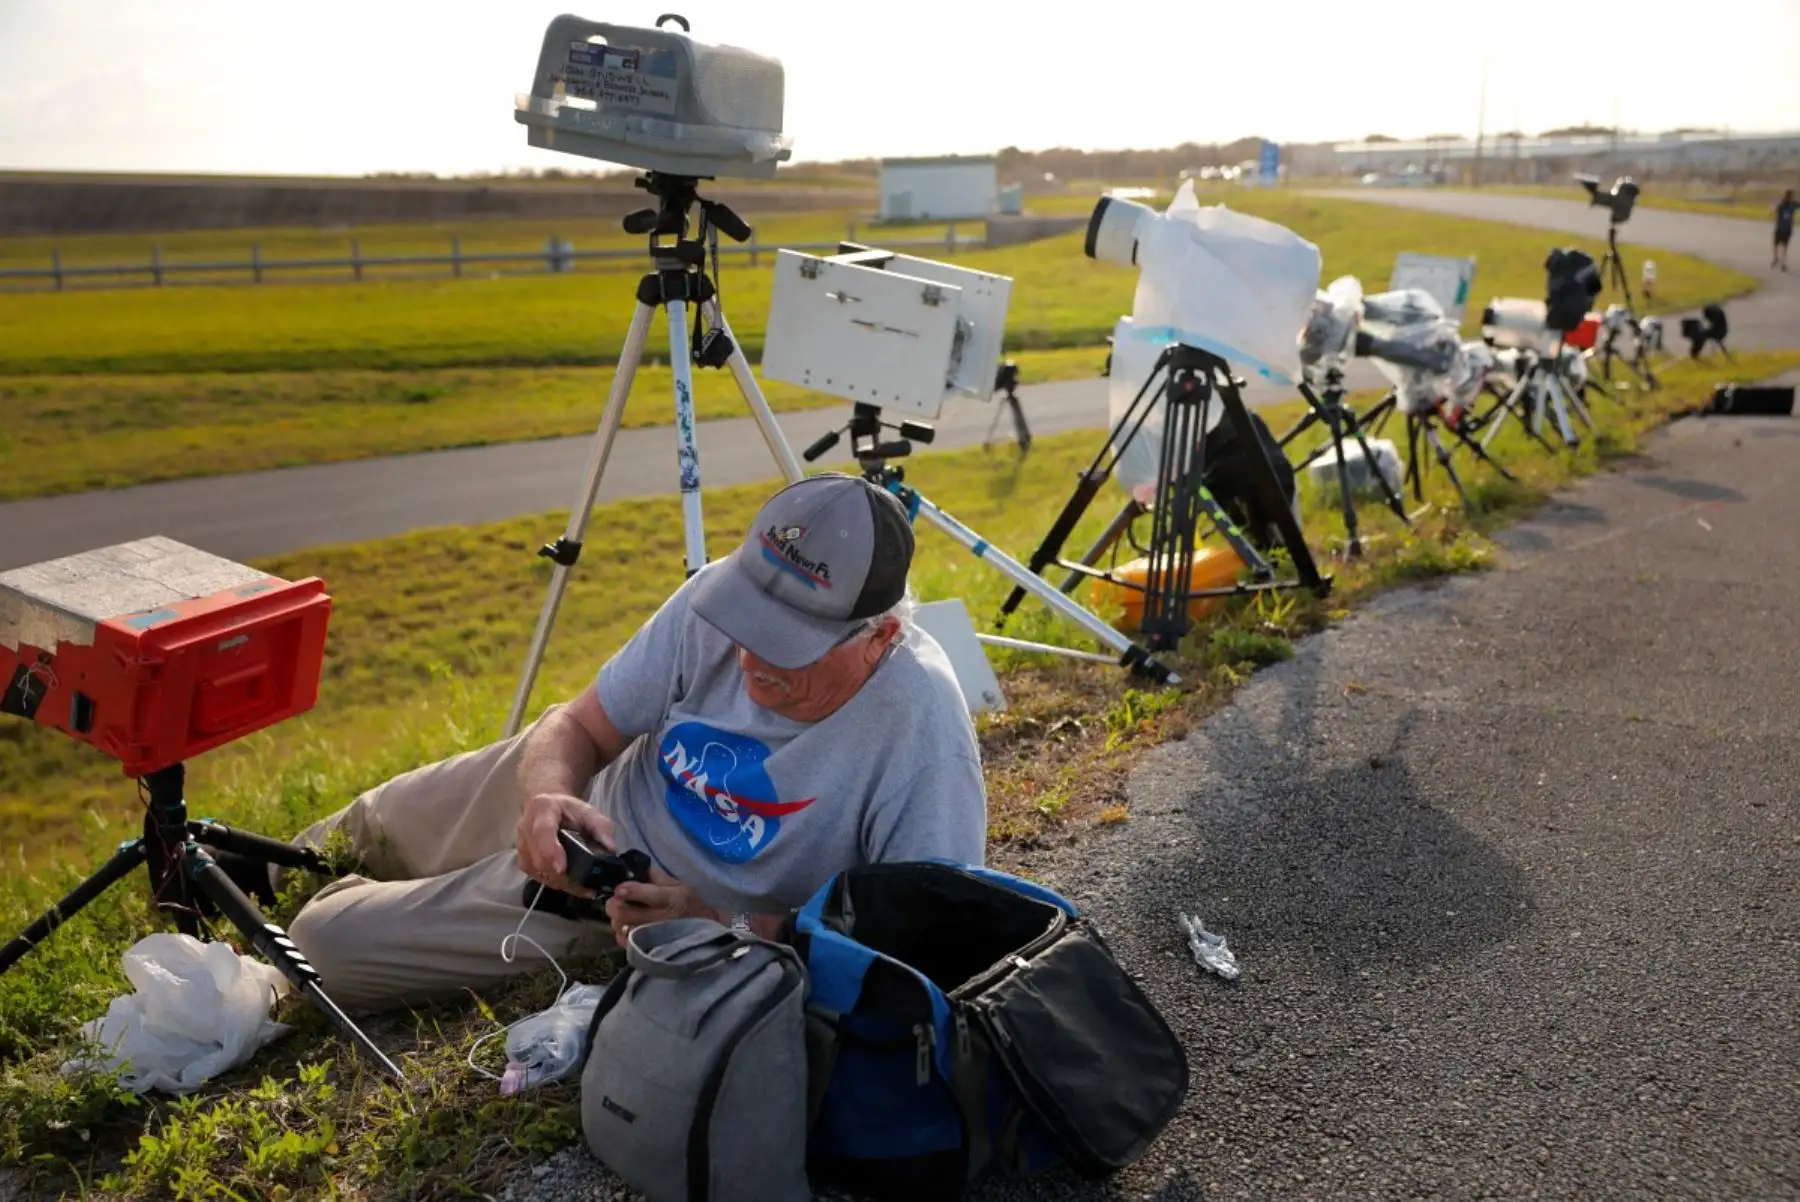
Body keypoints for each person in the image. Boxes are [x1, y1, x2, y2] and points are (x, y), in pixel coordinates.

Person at [261, 473, 988, 1014]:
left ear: (881, 636)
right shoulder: (716, 601)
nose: (749, 658)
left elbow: (918, 936)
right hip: (581, 804)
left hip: (623, 902)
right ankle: (239, 881)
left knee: (319, 949)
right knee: (365, 825)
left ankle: (303, 927)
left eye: (786, 645)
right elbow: (577, 725)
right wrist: (548, 794)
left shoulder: (921, 727)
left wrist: (718, 924)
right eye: (747, 621)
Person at [1774, 189, 1796, 271]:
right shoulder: (1781, 204)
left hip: (1787, 229)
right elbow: (1775, 209)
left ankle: (1783, 263)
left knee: (1784, 247)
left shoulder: (1792, 204)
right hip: (1780, 228)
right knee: (1776, 245)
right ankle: (1776, 258)